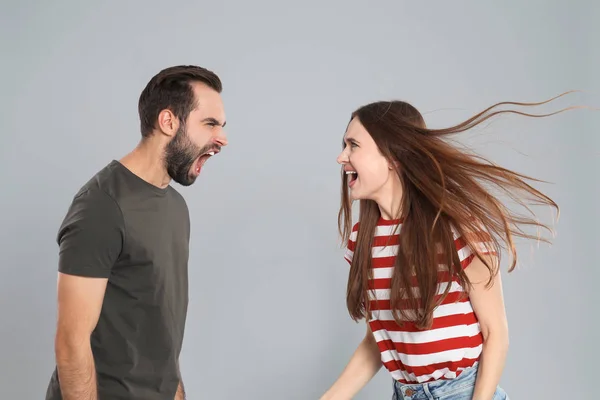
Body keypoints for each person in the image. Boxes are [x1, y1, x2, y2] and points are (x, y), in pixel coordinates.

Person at [320, 95, 573, 399]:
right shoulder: (363, 239)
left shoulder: (456, 228)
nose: (341, 157)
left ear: (392, 156)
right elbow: (378, 342)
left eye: (353, 145)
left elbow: (496, 334)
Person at [45, 65, 228, 400]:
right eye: (210, 124)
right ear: (168, 122)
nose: (222, 139)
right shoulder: (102, 205)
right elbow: (72, 343)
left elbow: (161, 331)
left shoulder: (176, 207)